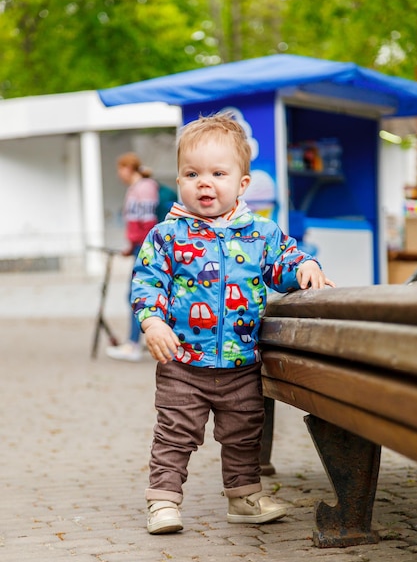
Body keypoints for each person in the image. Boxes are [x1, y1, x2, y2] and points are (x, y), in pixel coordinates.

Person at [130, 113, 335, 534]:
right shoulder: (167, 236)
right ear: (180, 179)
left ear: (242, 184)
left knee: (243, 435)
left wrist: (306, 266)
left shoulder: (260, 233)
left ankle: (243, 497)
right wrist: (152, 323)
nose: (204, 183)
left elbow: (283, 264)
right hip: (182, 362)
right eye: (192, 173)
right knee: (175, 433)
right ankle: (164, 501)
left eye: (218, 173)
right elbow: (148, 281)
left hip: (241, 361)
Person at [106, 152, 159, 363]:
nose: (119, 174)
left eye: (120, 168)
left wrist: (143, 248)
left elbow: (147, 222)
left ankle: (133, 344)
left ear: (128, 168)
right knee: (136, 295)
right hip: (138, 247)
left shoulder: (144, 188)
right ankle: (135, 342)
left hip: (145, 249)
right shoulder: (138, 188)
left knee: (136, 295)